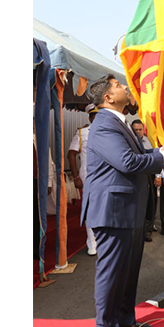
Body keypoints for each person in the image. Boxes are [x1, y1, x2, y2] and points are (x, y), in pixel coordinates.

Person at [81, 74, 164, 327]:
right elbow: (127, 162)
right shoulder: (104, 124)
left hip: (128, 208)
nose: (125, 87)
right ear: (108, 97)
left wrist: (160, 151)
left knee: (128, 270)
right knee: (112, 273)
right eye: (117, 85)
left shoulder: (118, 122)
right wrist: (161, 156)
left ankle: (124, 318)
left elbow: (134, 159)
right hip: (112, 210)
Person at [67, 103, 100, 256]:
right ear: (90, 117)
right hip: (88, 176)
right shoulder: (82, 133)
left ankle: (102, 239)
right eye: (95, 115)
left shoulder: (109, 132)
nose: (97, 118)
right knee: (89, 209)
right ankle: (92, 242)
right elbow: (71, 154)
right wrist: (75, 177)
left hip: (105, 177)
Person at [131, 119, 158, 242]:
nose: (138, 132)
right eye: (135, 130)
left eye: (140, 130)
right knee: (136, 206)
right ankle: (137, 232)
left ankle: (147, 231)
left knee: (150, 204)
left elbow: (155, 158)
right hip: (134, 177)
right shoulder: (128, 142)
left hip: (148, 176)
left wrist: (158, 176)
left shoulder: (148, 140)